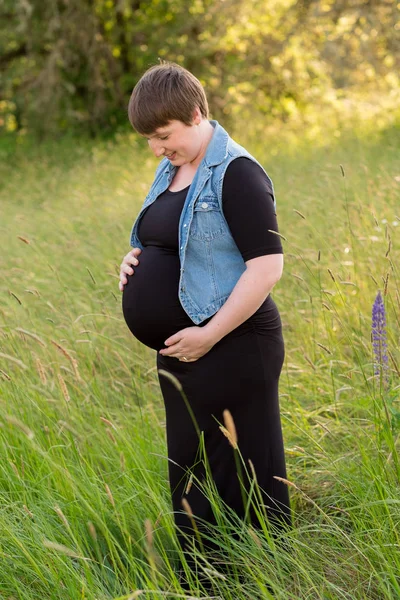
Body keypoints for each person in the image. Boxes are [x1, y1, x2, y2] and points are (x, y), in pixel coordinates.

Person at [119, 62, 291, 576]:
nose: (156, 147)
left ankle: (266, 576)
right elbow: (165, 238)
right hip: (183, 352)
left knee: (245, 471)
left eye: (163, 135)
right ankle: (206, 579)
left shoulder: (238, 172)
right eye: (149, 139)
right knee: (190, 469)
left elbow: (267, 266)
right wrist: (132, 258)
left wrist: (210, 334)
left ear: (196, 114)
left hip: (234, 344)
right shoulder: (172, 166)